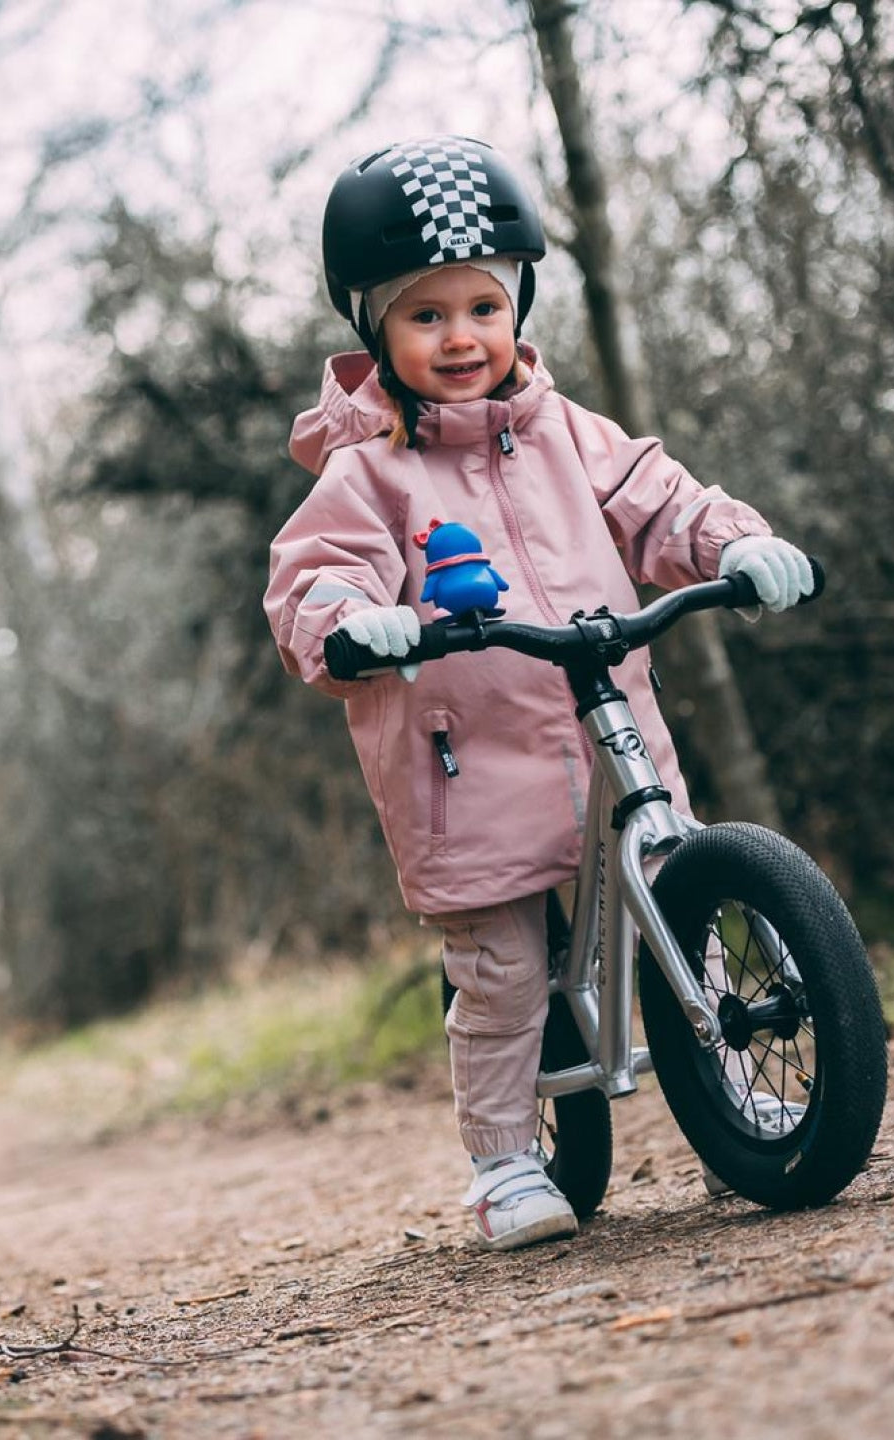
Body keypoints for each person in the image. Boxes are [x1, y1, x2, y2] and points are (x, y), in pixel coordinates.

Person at [264, 136, 813, 1252]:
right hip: (464, 770)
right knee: (505, 974)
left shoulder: (568, 435)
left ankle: (738, 1097)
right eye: (425, 316)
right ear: (376, 328)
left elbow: (660, 501)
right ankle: (506, 1161)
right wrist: (353, 625)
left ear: (518, 303)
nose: (461, 336)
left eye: (482, 305)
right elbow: (313, 576)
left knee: (687, 920)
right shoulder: (370, 473)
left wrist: (738, 544)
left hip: (616, 740)